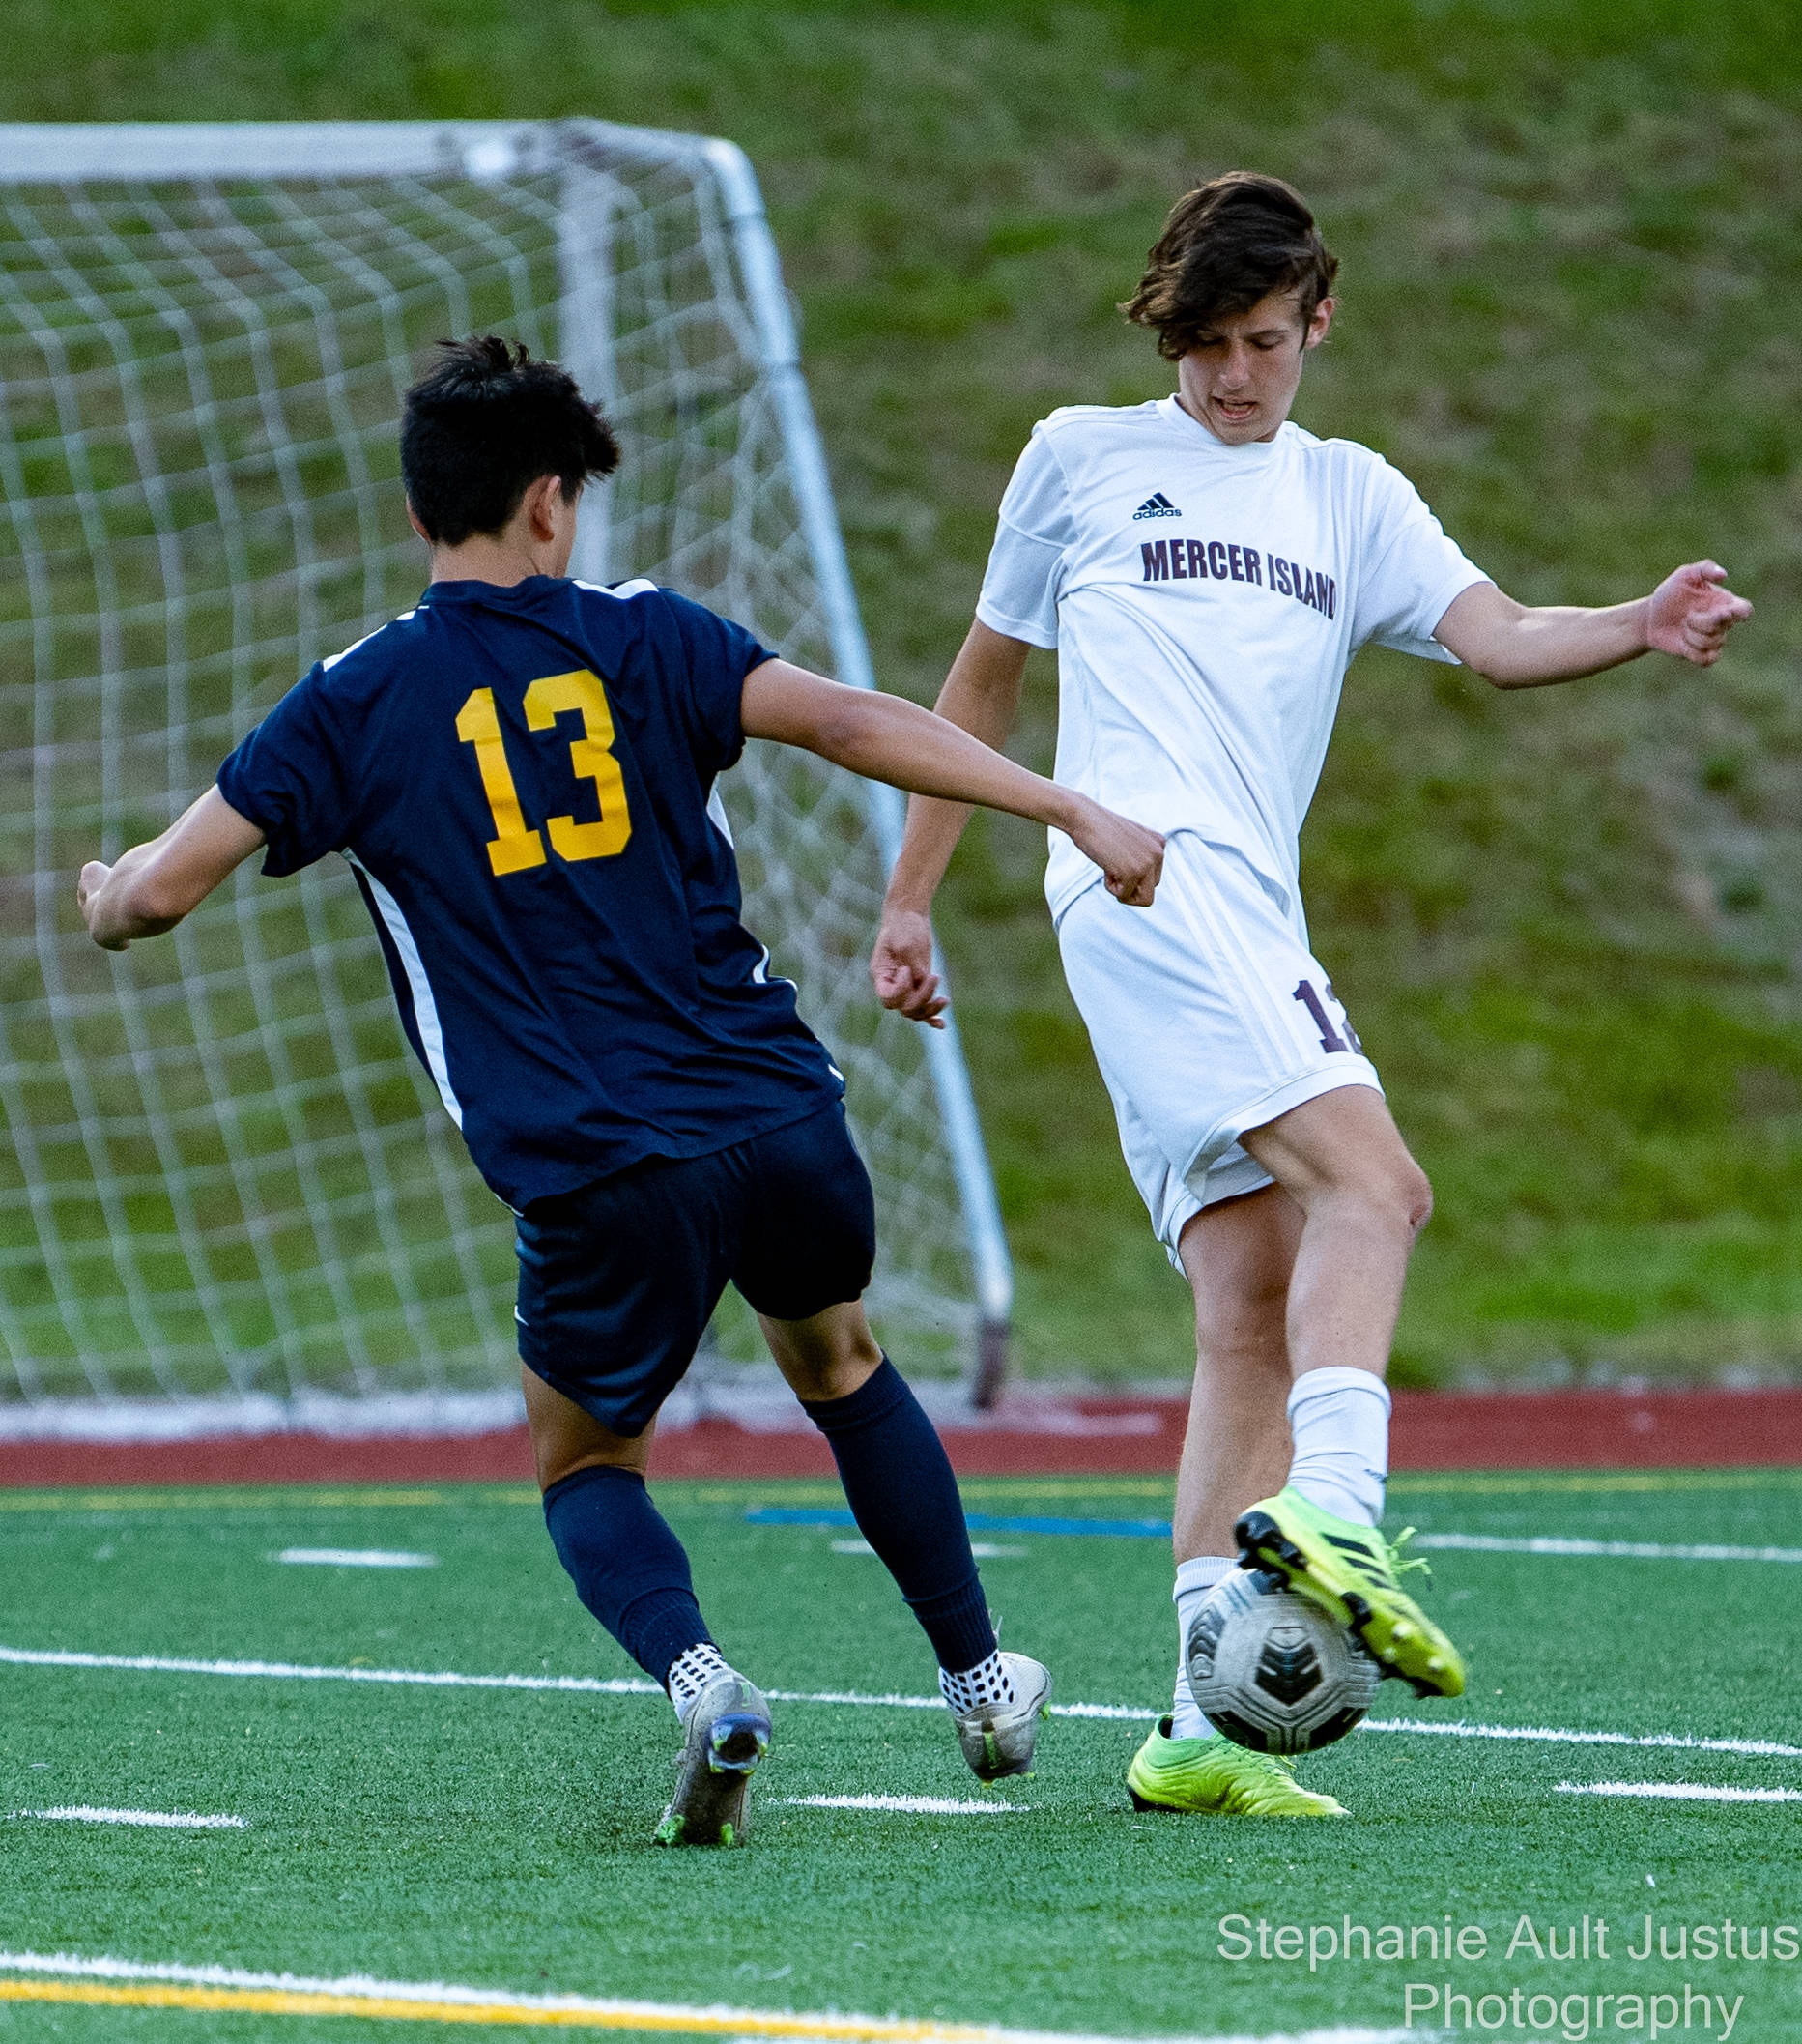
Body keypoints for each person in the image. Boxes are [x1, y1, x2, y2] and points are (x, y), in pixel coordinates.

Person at [77, 335, 1165, 1847]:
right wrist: (1061, 800)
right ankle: (980, 1681)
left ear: (419, 520)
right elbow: (853, 721)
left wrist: (102, 893)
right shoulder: (648, 637)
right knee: (840, 1361)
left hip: (596, 1168)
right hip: (778, 1114)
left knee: (586, 1457)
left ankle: (705, 1681)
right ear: (546, 504)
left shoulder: (351, 701)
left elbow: (162, 896)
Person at [870, 174, 1752, 1821]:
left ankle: (1197, 1725)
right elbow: (980, 683)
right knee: (1379, 1184)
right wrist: (911, 895)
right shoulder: (1076, 456)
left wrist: (1632, 623)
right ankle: (1338, 1513)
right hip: (1138, 879)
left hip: (1243, 907)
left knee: (1248, 1313)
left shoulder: (1348, 498)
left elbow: (1493, 637)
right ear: (1167, 337)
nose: (1230, 378)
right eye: (1202, 346)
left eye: (1262, 343)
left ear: (1317, 324)